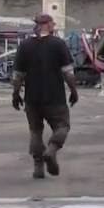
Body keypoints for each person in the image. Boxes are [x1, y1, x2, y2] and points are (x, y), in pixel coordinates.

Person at [11, 14, 79, 179]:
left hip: (32, 98)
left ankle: (38, 168)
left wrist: (15, 94)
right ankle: (51, 150)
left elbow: (18, 75)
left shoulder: (25, 45)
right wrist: (74, 91)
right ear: (47, 25)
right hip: (54, 97)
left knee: (35, 131)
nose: (54, 25)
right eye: (52, 23)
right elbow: (68, 73)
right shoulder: (58, 44)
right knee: (62, 125)